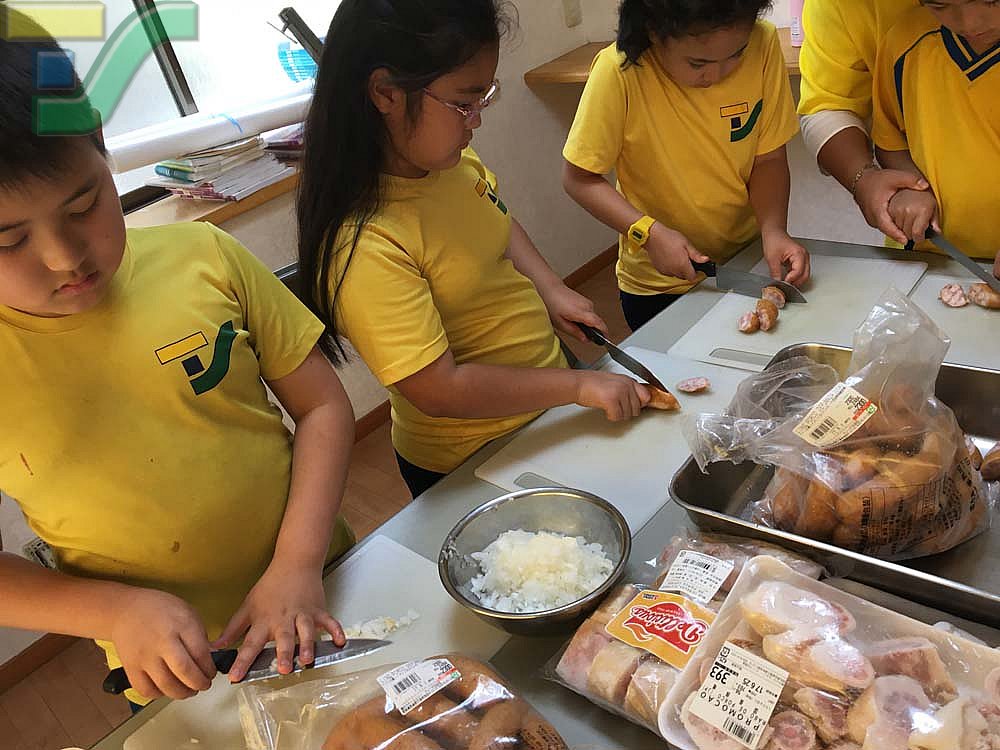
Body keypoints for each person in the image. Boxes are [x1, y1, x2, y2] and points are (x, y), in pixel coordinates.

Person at [0, 12, 354, 708]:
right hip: (174, 664)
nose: (66, 257)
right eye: (7, 240)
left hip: (325, 586)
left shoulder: (204, 255)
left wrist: (297, 561)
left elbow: (322, 405)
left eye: (84, 204)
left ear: (102, 147)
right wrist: (115, 611)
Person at [296, 0, 653, 499]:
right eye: (464, 103)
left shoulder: (449, 164)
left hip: (544, 401)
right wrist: (577, 386)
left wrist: (550, 290)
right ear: (386, 93)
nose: (476, 121)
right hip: (474, 455)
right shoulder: (364, 243)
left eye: (484, 97)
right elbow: (439, 390)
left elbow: (497, 222)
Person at [561, 0, 810, 332]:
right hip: (657, 287)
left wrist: (774, 230)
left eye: (736, 54)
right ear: (654, 33)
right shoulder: (619, 71)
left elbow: (768, 159)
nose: (718, 75)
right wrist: (648, 233)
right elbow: (579, 179)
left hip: (746, 262)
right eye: (698, 63)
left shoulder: (762, 43)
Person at [872, 0, 1000, 264]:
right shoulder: (905, 42)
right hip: (927, 256)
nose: (969, 23)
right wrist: (911, 187)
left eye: (991, 1)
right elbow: (891, 143)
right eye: (940, 6)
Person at [797, 0, 923, 244]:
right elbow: (828, 107)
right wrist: (866, 181)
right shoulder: (837, 6)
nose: (969, 22)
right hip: (920, 237)